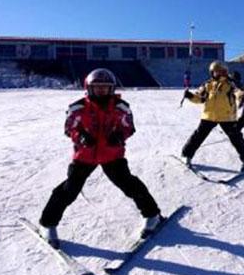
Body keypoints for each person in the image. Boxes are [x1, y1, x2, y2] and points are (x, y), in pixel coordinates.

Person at [39, 68, 162, 247]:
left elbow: (128, 127)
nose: (102, 91)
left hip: (112, 154)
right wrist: (80, 136)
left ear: (111, 89)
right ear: (89, 88)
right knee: (69, 190)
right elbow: (69, 127)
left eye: (105, 87)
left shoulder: (121, 107)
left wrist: (119, 136)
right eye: (97, 88)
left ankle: (152, 215)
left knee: (129, 184)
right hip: (85, 155)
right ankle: (47, 223)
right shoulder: (78, 108)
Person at [181, 61, 244, 170]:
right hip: (209, 115)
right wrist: (191, 96)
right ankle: (186, 155)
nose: (217, 73)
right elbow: (200, 98)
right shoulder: (208, 84)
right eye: (214, 72)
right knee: (198, 136)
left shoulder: (231, 83)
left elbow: (238, 91)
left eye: (219, 71)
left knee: (236, 138)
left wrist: (242, 96)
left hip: (227, 116)